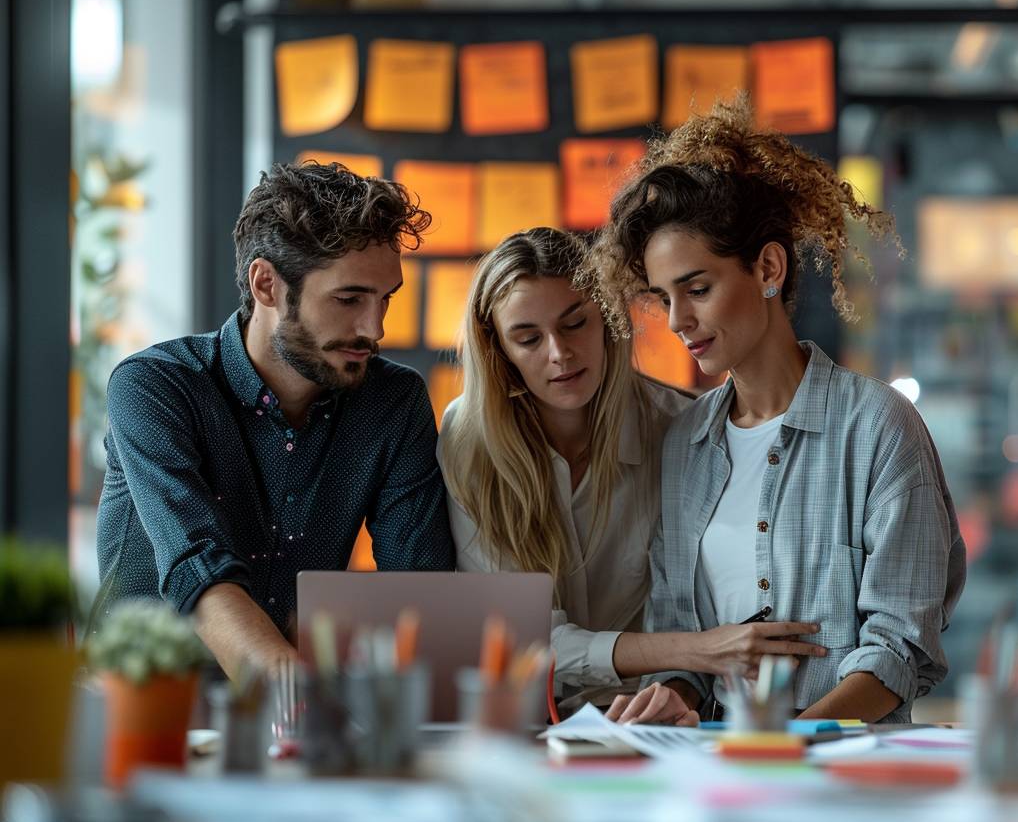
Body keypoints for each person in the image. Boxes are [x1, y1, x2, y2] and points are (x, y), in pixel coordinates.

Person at [585, 98, 967, 725]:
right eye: (664, 298)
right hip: (715, 761)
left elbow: (897, 652)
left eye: (697, 289)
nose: (677, 321)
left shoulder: (877, 427)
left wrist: (783, 744)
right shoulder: (684, 443)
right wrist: (676, 695)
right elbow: (686, 640)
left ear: (767, 267)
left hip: (840, 769)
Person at [439, 227, 825, 712]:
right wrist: (697, 649)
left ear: (606, 319)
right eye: (528, 338)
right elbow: (519, 638)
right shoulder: (469, 439)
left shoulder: (678, 428)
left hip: (651, 713)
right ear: (498, 350)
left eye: (575, 323)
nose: (559, 353)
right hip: (517, 715)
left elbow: (698, 595)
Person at [95, 161, 455, 679]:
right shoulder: (156, 386)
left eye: (385, 299)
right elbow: (199, 570)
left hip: (299, 708)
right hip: (146, 702)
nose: (374, 329)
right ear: (266, 284)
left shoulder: (392, 402)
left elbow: (418, 590)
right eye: (349, 298)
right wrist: (300, 697)